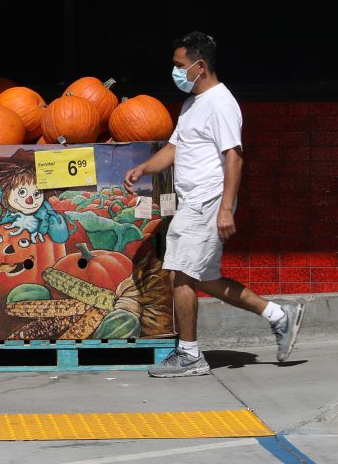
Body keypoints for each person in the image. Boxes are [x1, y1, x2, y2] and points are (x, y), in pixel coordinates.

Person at [124, 31, 305, 378]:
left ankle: (190, 355)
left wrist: (225, 208)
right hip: (193, 200)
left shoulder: (222, 103)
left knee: (180, 275)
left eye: (179, 65)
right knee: (205, 279)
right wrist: (145, 167)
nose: (175, 71)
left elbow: (234, 158)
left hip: (206, 201)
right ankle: (279, 315)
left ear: (200, 65)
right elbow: (176, 148)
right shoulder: (194, 103)